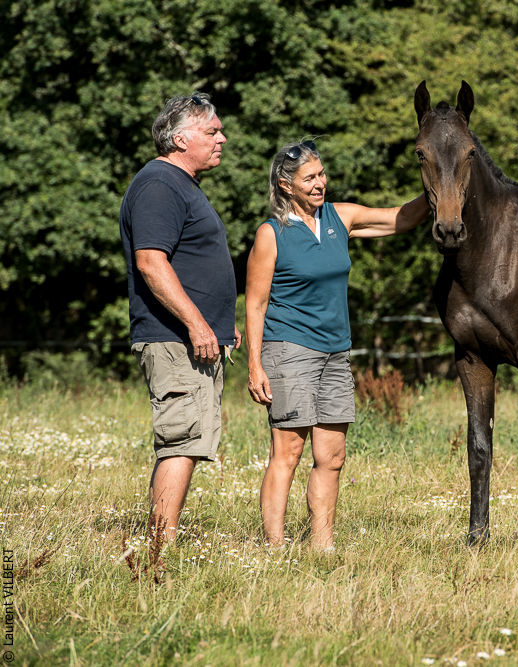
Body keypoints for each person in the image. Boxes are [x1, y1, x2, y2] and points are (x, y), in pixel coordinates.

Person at [245, 139, 429, 550]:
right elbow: (255, 304)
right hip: (288, 350)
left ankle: (322, 546)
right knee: (288, 452)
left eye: (322, 174)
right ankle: (274, 548)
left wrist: (440, 177)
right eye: (309, 178)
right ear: (286, 184)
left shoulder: (339, 217)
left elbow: (403, 218)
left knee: (332, 457)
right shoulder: (272, 233)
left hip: (335, 352)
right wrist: (255, 365)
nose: (320, 183)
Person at [119, 92, 241, 541]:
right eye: (211, 132)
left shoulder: (181, 185)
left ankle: (161, 538)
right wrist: (196, 322)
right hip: (174, 339)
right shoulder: (159, 185)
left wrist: (220, 322)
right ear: (178, 138)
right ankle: (158, 544)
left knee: (189, 440)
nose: (221, 139)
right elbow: (151, 261)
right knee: (180, 440)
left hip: (193, 337)